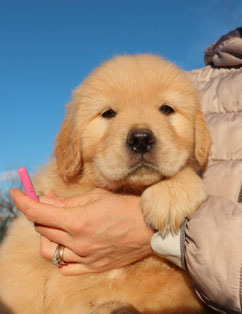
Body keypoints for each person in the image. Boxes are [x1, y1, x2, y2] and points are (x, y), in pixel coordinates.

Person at [11, 28, 242, 313]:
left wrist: (177, 203)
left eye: (167, 109)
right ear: (72, 138)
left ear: (200, 132)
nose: (140, 136)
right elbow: (16, 271)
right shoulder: (206, 80)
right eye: (108, 113)